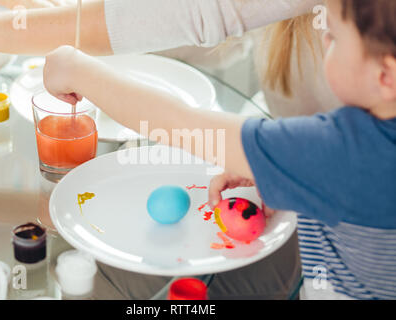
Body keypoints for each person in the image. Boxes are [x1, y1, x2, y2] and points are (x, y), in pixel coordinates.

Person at [42, 0, 396, 300]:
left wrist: (77, 71)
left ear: (386, 75)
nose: (321, 37)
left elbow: (177, 123)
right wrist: (283, 173)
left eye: (332, 36)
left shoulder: (344, 150)